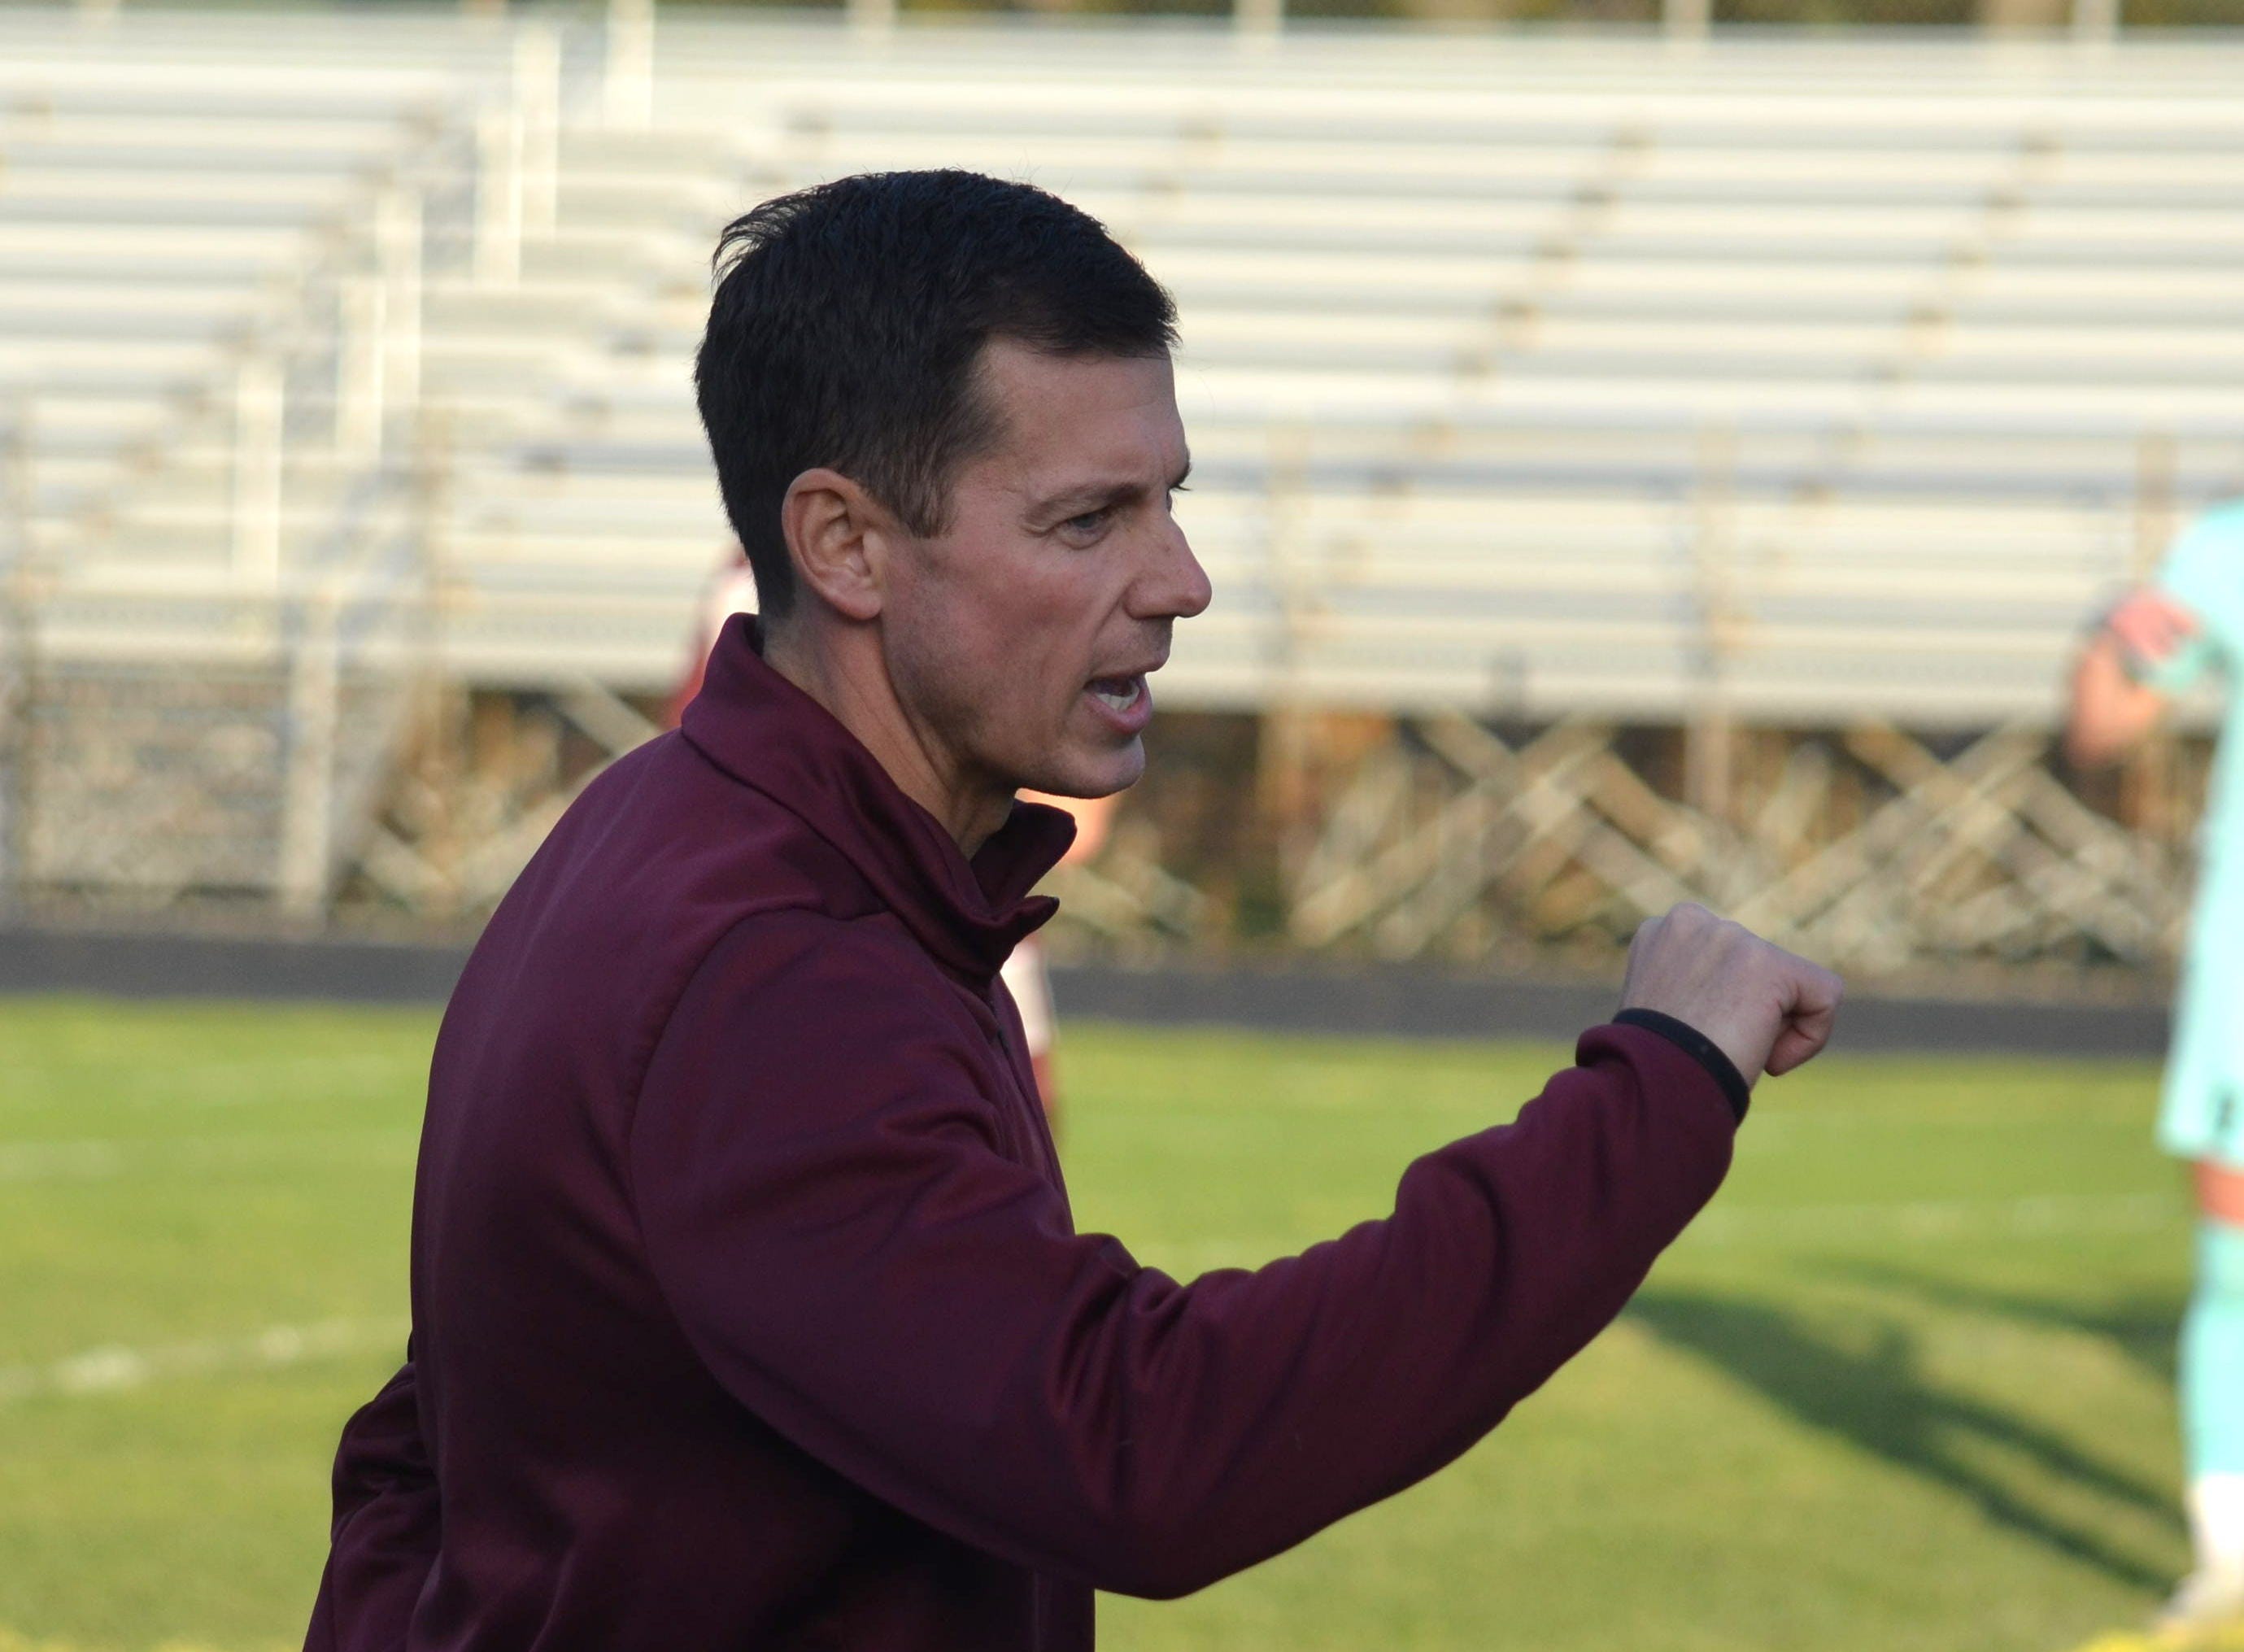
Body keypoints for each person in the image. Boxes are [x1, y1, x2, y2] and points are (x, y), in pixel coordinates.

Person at [305, 169, 1841, 1651]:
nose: (1181, 581)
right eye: (1087, 520)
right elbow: (1145, 1448)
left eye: (1169, 500)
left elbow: (426, 1439)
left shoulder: (693, 831)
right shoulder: (770, 964)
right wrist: (1662, 1087)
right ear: (844, 544)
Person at [2069, 508, 2244, 1641]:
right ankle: (2230, 1565)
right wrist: (2110, 643)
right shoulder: (2227, 549)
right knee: (2236, 1273)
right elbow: (2108, 723)